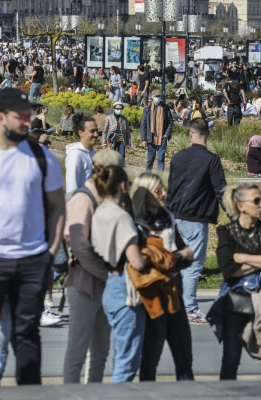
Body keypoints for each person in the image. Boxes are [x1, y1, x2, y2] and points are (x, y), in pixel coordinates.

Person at [0, 88, 65, 385]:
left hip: (31, 259)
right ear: (0, 117)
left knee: (27, 335)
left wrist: (49, 252)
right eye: (20, 116)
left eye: (28, 115)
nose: (26, 121)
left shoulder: (40, 156)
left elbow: (58, 207)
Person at [211, 183, 261, 379]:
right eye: (256, 200)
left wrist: (242, 258)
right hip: (236, 301)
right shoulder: (226, 232)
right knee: (231, 358)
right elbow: (228, 269)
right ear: (241, 206)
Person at [62, 150, 124, 384]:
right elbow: (80, 247)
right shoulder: (83, 198)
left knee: (100, 353)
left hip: (103, 285)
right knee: (77, 353)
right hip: (84, 285)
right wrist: (108, 275)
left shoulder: (108, 197)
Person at [130, 172, 195, 381]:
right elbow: (145, 263)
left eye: (164, 188)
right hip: (152, 295)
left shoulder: (167, 216)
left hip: (174, 291)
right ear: (145, 193)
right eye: (158, 190)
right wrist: (173, 257)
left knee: (185, 356)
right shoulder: (137, 224)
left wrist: (168, 258)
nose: (164, 193)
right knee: (151, 357)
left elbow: (188, 255)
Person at [91, 163, 148, 383]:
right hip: (125, 286)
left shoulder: (99, 212)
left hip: (109, 284)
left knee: (120, 354)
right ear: (122, 185)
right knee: (127, 360)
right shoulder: (121, 216)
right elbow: (136, 260)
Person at [166, 119, 227, 324]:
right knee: (192, 266)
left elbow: (171, 188)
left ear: (190, 134)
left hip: (174, 215)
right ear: (207, 135)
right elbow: (220, 190)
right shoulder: (212, 160)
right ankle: (189, 309)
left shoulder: (177, 157)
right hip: (196, 217)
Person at [140, 90, 174, 172]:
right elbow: (143, 125)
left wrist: (167, 134)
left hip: (162, 137)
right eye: (156, 96)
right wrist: (144, 139)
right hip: (151, 137)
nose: (158, 98)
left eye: (159, 97)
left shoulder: (165, 108)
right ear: (152, 97)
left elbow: (170, 122)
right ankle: (147, 175)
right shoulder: (147, 109)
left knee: (160, 158)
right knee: (150, 159)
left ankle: (160, 177)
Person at [65, 114, 98, 194]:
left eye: (97, 131)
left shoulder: (94, 154)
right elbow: (71, 188)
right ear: (80, 133)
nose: (96, 134)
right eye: (92, 131)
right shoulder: (76, 155)